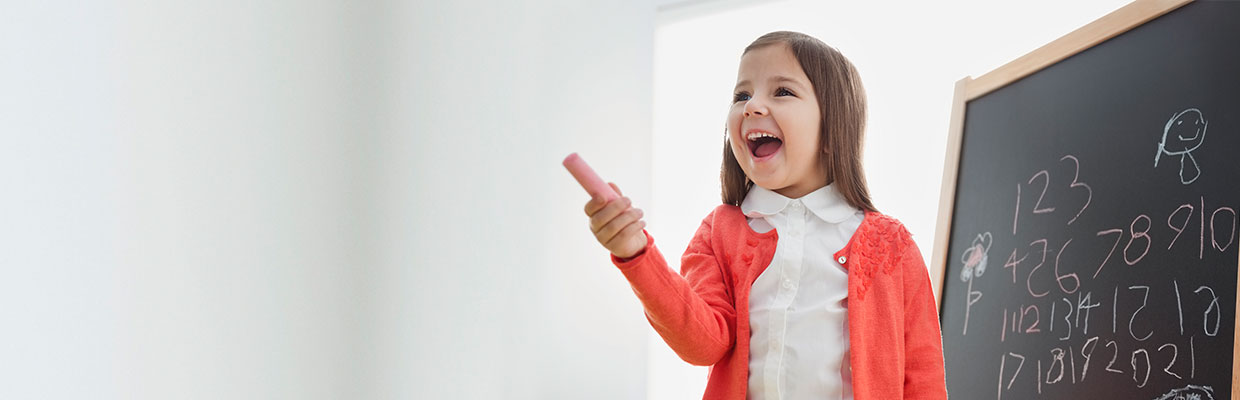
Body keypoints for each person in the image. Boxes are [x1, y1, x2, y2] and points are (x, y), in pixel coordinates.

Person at [582, 31, 947, 400]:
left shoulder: (891, 245)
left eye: (782, 92)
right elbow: (702, 343)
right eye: (742, 95)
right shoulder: (718, 232)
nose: (752, 106)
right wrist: (635, 252)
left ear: (832, 130)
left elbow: (924, 377)